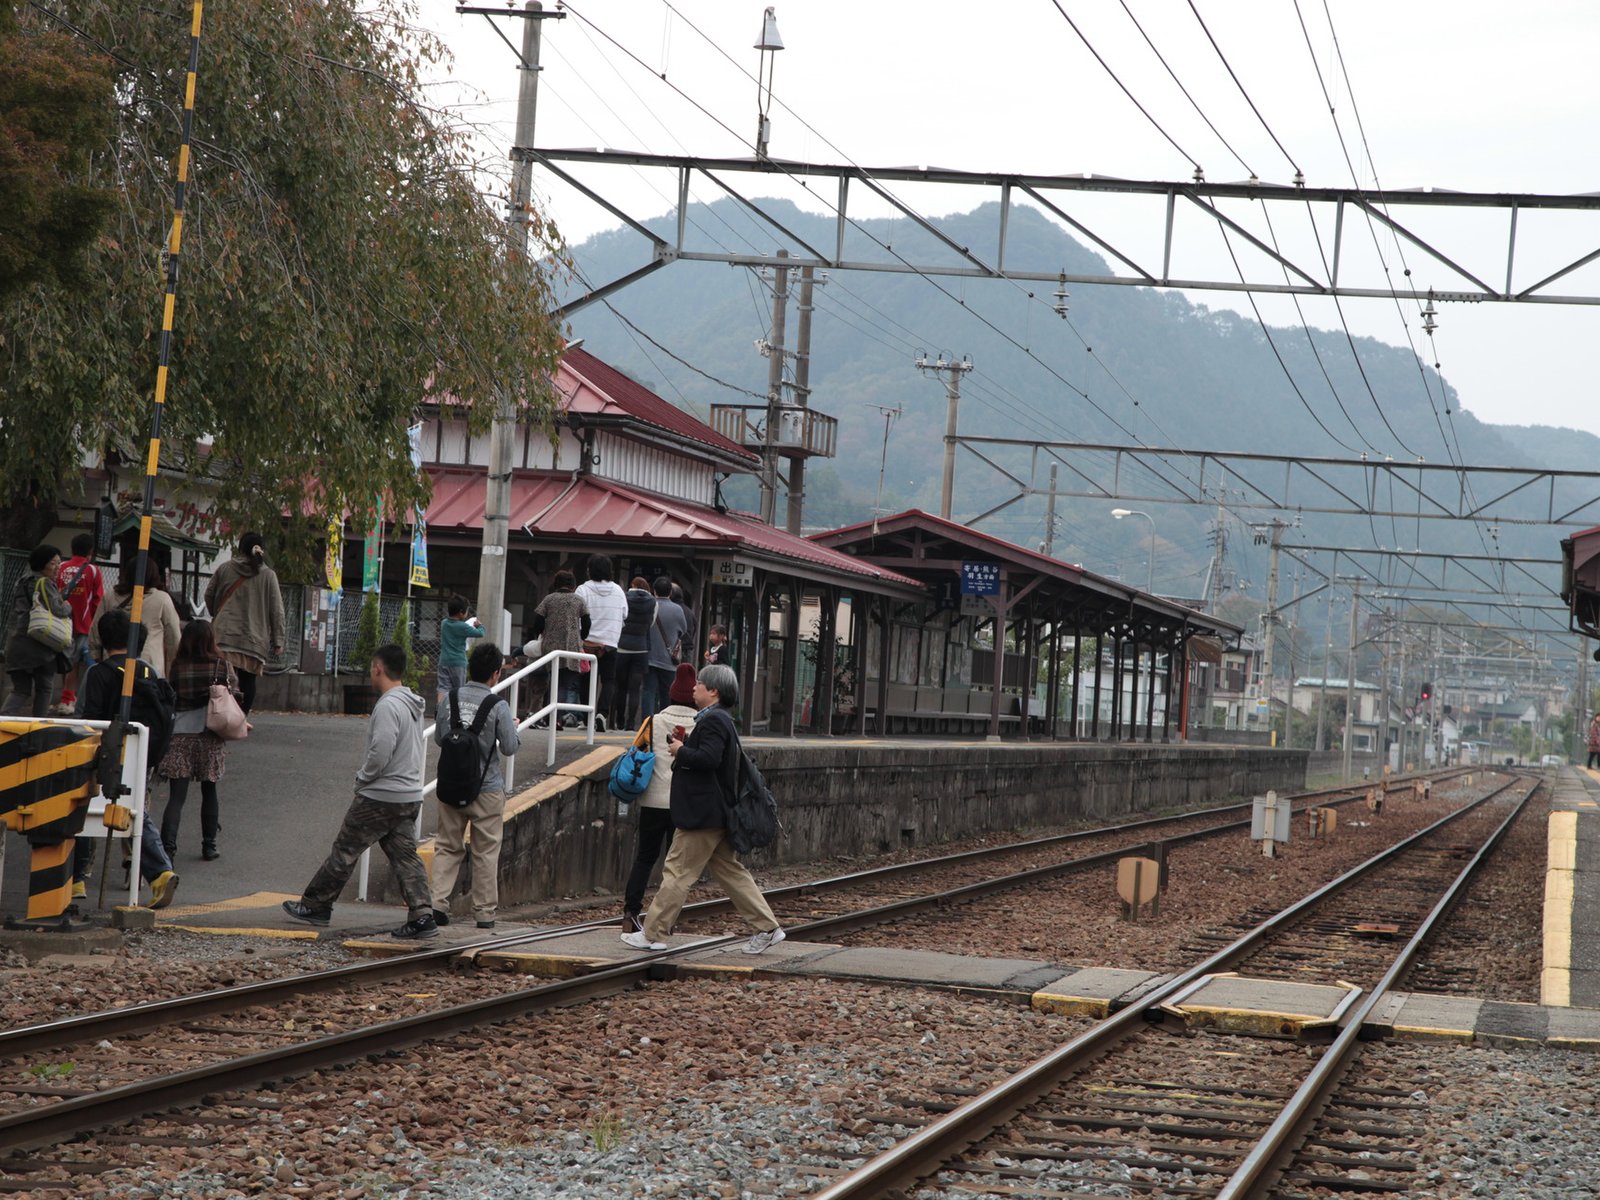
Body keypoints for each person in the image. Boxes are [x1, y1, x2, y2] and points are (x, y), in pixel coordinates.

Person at [622, 663, 784, 955]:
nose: (693, 688)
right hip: (716, 811)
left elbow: (709, 759)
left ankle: (653, 934)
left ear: (713, 691)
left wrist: (679, 750)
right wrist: (685, 747)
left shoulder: (713, 721)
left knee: (677, 871)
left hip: (703, 813)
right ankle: (767, 928)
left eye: (699, 684)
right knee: (731, 872)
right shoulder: (721, 719)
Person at [282, 643, 436, 939]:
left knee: (345, 849)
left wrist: (363, 777)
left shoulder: (388, 705)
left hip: (380, 794)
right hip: (408, 795)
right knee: (405, 857)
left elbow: (380, 751)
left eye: (370, 669)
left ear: (378, 669)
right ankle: (422, 916)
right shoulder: (412, 703)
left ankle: (316, 904)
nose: (370, 674)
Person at [73, 609, 180, 908]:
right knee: (134, 811)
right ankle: (160, 873)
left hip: (100, 756)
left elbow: (87, 718)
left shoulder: (98, 673)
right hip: (141, 758)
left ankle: (75, 879)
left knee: (80, 807)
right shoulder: (149, 673)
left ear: (104, 640)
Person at [431, 642, 520, 930]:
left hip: (451, 786)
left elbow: (440, 738)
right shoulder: (498, 706)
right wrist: (513, 727)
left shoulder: (451, 699)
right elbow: (508, 747)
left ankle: (437, 905)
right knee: (485, 851)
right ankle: (483, 914)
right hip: (487, 789)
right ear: (495, 674)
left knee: (447, 846)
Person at [622, 662, 698, 934]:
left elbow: (635, 753)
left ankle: (630, 913)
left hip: (652, 800)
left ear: (671, 693)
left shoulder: (653, 721)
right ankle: (667, 919)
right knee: (675, 866)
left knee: (644, 857)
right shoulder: (701, 724)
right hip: (683, 805)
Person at [158, 619, 243, 862]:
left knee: (177, 796)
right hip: (210, 735)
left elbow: (169, 698)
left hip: (180, 735)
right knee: (210, 789)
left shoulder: (177, 667)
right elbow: (234, 696)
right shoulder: (221, 666)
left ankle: (168, 848)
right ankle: (209, 845)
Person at [204, 532, 286, 715]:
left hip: (223, 635)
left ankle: (219, 714)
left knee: (220, 680)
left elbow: (208, 595)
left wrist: (216, 614)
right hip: (253, 639)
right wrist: (278, 640)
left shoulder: (225, 569)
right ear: (261, 551)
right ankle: (240, 718)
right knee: (248, 681)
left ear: (240, 549)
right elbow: (277, 610)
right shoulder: (269, 576)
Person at [2, 544, 70, 717]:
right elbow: (58, 610)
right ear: (42, 563)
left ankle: (3, 726)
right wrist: (67, 606)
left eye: (59, 563)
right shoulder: (45, 582)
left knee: (20, 690)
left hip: (16, 643)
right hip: (39, 644)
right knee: (45, 688)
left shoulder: (22, 580)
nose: (58, 567)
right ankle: (37, 735)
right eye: (54, 563)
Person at [90, 557, 182, 678]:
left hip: (113, 664)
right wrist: (173, 665)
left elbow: (95, 630)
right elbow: (174, 637)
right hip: (149, 666)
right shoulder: (162, 599)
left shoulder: (110, 596)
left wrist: (96, 655)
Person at [526, 569, 590, 725]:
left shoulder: (548, 600)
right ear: (573, 586)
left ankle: (550, 716)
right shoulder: (578, 600)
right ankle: (556, 718)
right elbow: (587, 622)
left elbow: (537, 623)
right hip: (571, 646)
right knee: (564, 683)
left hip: (551, 646)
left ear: (556, 584)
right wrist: (580, 637)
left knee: (551, 680)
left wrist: (544, 633)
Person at [575, 554, 627, 732]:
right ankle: (602, 714)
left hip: (588, 643)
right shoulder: (619, 591)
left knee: (585, 681)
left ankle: (586, 719)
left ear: (589, 570)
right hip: (610, 643)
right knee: (609, 680)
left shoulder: (583, 590)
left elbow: (576, 616)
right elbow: (625, 614)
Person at [54, 533, 104, 713]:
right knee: (76, 663)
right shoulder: (93, 570)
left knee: (63, 660)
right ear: (90, 551)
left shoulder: (60, 567)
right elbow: (98, 600)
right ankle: (68, 700)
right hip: (83, 624)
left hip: (59, 623)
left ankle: (65, 697)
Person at [612, 577, 656, 729]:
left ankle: (619, 721)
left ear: (632, 585)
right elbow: (651, 623)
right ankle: (631, 723)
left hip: (621, 647)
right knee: (635, 688)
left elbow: (619, 618)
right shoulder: (653, 602)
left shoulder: (623, 597)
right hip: (641, 648)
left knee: (620, 687)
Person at [644, 577, 688, 721]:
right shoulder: (678, 610)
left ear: (654, 590)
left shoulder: (649, 606)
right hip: (669, 659)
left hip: (649, 656)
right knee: (667, 693)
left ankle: (647, 722)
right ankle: (665, 722)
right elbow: (683, 630)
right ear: (670, 592)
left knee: (648, 691)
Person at [437, 594, 486, 711]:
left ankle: (439, 709)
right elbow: (480, 633)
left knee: (443, 687)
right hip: (458, 662)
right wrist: (480, 626)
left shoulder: (444, 623)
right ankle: (456, 712)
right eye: (466, 611)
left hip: (443, 661)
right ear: (461, 612)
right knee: (458, 689)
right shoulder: (463, 627)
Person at [671, 583, 698, 666]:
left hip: (673, 650)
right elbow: (695, 628)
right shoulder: (689, 612)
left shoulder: (672, 610)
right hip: (687, 650)